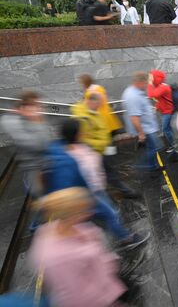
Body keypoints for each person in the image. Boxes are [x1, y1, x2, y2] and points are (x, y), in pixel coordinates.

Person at [43, 119, 148, 248]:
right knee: (110, 214)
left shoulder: (59, 147)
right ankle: (125, 239)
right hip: (88, 194)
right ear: (75, 134)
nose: (84, 132)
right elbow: (86, 177)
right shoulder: (74, 157)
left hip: (88, 193)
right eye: (81, 131)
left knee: (106, 215)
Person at [29, 187, 127, 307]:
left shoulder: (61, 227)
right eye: (85, 210)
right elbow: (78, 295)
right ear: (72, 215)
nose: (90, 213)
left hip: (104, 284)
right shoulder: (58, 258)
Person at [71, 93, 139, 199]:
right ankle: (123, 192)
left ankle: (120, 191)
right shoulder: (82, 118)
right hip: (96, 151)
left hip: (103, 148)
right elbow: (83, 139)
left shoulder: (92, 111)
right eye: (98, 104)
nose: (99, 107)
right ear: (90, 102)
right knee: (107, 173)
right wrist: (102, 143)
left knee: (108, 170)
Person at [0, 91, 50, 199]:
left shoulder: (31, 118)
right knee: (41, 199)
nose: (39, 109)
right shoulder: (13, 122)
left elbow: (46, 140)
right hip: (33, 169)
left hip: (43, 166)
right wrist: (36, 121)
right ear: (24, 107)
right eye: (36, 105)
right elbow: (39, 144)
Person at [122, 72, 162, 172]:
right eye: (146, 83)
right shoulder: (133, 96)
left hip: (147, 128)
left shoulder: (134, 92)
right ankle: (145, 167)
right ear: (140, 82)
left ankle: (152, 166)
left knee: (152, 148)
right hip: (146, 129)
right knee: (154, 148)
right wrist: (141, 133)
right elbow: (134, 117)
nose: (147, 85)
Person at [147, 70, 174, 152]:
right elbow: (161, 99)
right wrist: (157, 107)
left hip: (168, 112)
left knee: (166, 130)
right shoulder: (160, 86)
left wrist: (150, 83)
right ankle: (174, 144)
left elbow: (152, 95)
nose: (149, 79)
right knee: (168, 129)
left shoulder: (163, 87)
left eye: (151, 77)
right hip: (165, 111)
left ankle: (174, 146)